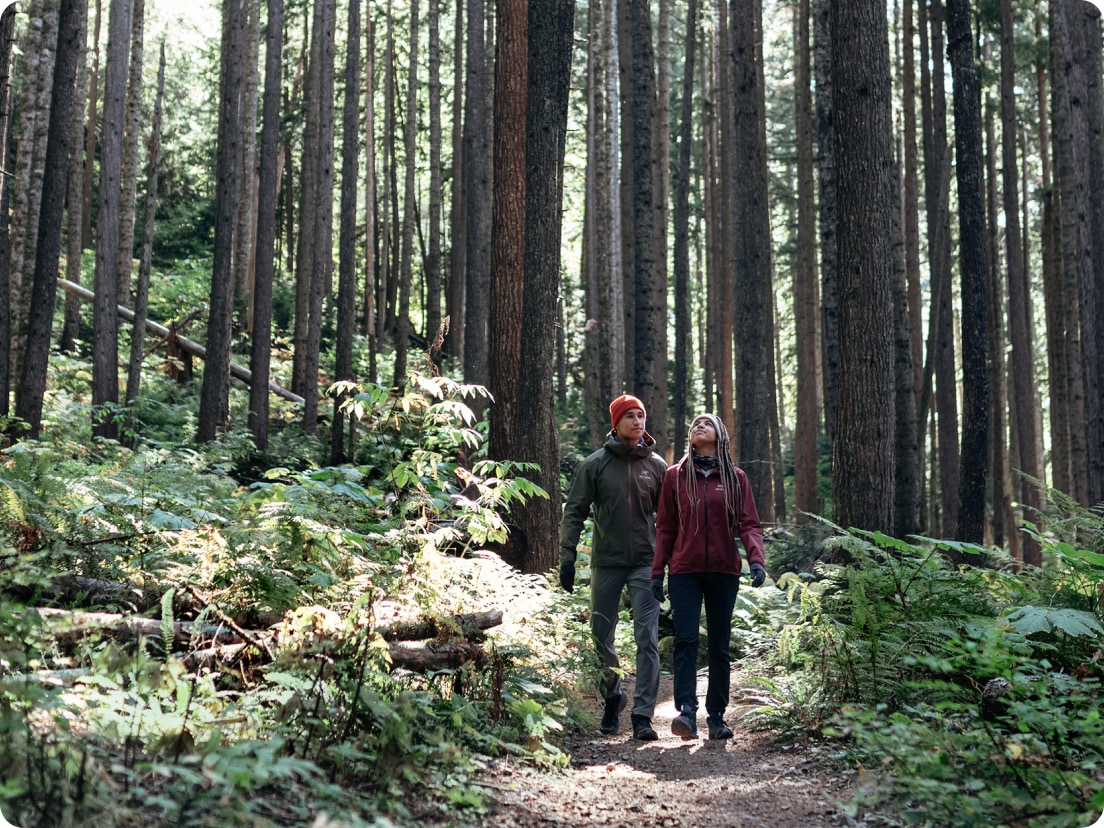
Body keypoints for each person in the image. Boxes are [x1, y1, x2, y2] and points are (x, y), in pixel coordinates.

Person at [651, 413, 767, 740]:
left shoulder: (735, 478)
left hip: (724, 570)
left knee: (719, 646)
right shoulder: (675, 476)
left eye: (707, 423)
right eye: (695, 424)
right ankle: (686, 713)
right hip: (684, 570)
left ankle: (716, 716)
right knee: (686, 640)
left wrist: (755, 560)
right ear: (690, 437)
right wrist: (657, 573)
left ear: (720, 435)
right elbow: (666, 528)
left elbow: (749, 524)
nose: (699, 426)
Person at [559, 394, 667, 741]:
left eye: (641, 415)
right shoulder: (595, 464)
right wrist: (568, 556)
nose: (638, 421)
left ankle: (642, 716)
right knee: (599, 637)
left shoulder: (658, 466)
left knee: (647, 638)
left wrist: (670, 564)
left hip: (645, 564)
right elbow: (574, 511)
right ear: (616, 423)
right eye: (630, 416)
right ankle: (613, 696)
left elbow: (670, 521)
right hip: (606, 562)